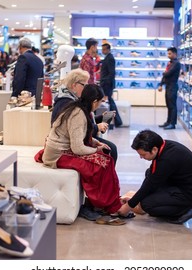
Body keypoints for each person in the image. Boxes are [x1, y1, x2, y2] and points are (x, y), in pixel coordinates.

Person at [35, 84, 125, 220]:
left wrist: (95, 143)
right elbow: (78, 148)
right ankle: (104, 204)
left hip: (63, 150)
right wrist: (96, 149)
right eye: (100, 101)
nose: (100, 104)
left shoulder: (78, 109)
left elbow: (78, 136)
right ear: (94, 101)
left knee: (106, 159)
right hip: (59, 154)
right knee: (103, 164)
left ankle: (107, 203)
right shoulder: (78, 114)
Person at [118, 130, 192, 224]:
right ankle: (170, 203)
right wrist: (135, 200)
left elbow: (150, 184)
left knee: (147, 205)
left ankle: (184, 211)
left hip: (190, 193)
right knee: (149, 173)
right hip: (179, 183)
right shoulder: (163, 147)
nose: (141, 157)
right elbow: (151, 178)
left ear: (154, 149)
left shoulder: (167, 159)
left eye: (143, 154)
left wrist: (128, 206)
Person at [51, 69, 118, 164]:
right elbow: (78, 131)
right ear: (74, 85)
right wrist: (97, 128)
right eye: (84, 85)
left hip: (74, 140)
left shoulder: (72, 100)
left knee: (110, 149)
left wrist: (99, 119)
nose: (86, 88)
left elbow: (82, 124)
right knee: (110, 150)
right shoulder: (67, 103)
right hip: (66, 146)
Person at [158, 47, 181, 130]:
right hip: (168, 86)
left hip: (173, 86)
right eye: (168, 53)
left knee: (172, 105)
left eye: (170, 53)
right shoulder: (170, 63)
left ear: (175, 54)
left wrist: (164, 73)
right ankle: (168, 122)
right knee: (168, 105)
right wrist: (161, 84)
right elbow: (165, 74)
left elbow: (167, 73)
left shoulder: (176, 63)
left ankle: (172, 123)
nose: (168, 55)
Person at [100, 42, 123, 127]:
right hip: (107, 84)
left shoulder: (110, 58)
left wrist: (104, 82)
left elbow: (111, 73)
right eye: (102, 49)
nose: (102, 51)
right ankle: (116, 121)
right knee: (110, 103)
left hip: (107, 85)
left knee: (110, 103)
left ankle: (114, 121)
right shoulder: (107, 58)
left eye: (104, 49)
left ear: (108, 49)